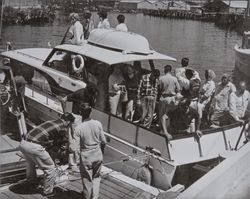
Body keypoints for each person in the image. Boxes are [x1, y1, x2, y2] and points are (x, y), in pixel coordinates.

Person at [19, 113, 75, 196]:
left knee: (30, 162)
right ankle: (48, 192)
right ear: (68, 121)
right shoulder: (62, 128)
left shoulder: (50, 122)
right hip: (34, 147)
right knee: (50, 168)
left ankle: (31, 181)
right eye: (70, 124)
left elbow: (48, 140)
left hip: (23, 143)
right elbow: (59, 145)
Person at [72, 103, 106, 199]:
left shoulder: (79, 128)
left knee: (87, 180)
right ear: (91, 112)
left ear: (80, 112)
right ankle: (95, 197)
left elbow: (75, 148)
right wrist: (101, 152)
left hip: (86, 156)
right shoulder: (98, 123)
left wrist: (77, 161)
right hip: (98, 154)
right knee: (96, 177)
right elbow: (103, 141)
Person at [158, 65, 181, 139]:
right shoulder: (174, 79)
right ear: (170, 70)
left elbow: (159, 89)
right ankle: (168, 129)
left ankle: (162, 130)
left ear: (165, 70)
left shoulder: (161, 78)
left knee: (161, 115)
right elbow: (178, 89)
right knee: (168, 115)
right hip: (171, 99)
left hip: (163, 98)